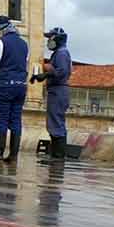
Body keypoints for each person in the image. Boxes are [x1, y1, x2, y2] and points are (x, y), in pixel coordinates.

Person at [0, 15, 30, 163]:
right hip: (21, 86)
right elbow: (25, 65)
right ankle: (14, 155)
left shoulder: (1, 42)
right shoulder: (24, 44)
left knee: (1, 119)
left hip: (5, 85)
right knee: (16, 120)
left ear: (1, 29)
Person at [32, 26, 73, 160]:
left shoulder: (62, 53)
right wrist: (44, 75)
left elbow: (61, 72)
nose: (48, 40)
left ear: (57, 39)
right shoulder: (59, 53)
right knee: (54, 122)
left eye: (50, 37)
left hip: (58, 90)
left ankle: (58, 156)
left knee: (56, 123)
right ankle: (56, 154)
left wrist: (48, 71)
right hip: (57, 90)